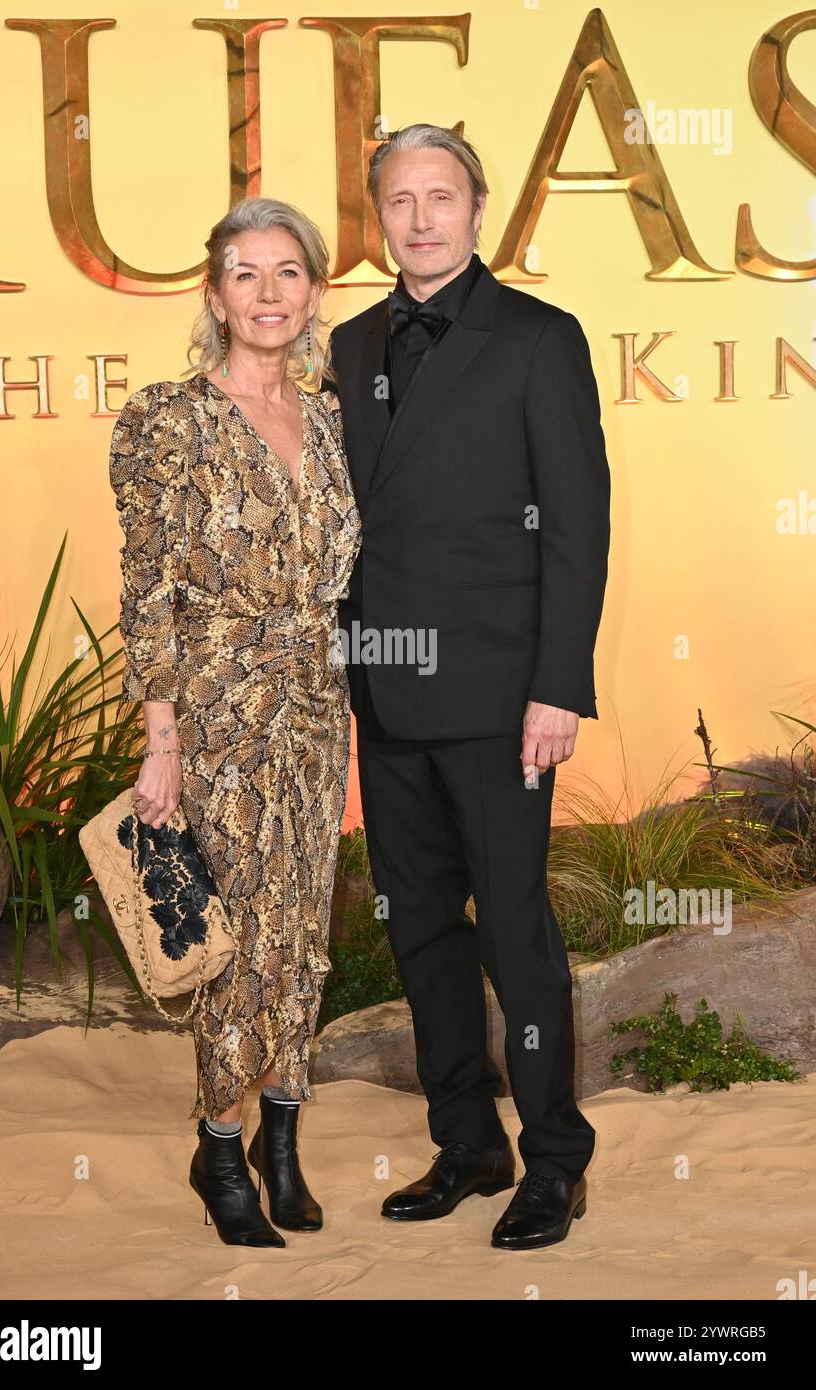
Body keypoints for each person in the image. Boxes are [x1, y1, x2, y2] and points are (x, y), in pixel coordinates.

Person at [326, 124, 611, 1250]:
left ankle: (553, 1158)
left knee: (516, 936)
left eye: (439, 196)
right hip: (385, 695)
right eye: (399, 200)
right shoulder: (349, 345)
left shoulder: (540, 339)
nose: (420, 218)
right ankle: (466, 1142)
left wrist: (558, 686)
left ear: (477, 208)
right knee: (422, 934)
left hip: (500, 699)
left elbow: (576, 532)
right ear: (378, 215)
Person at [108, 197, 360, 1248]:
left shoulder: (337, 415)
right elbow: (148, 587)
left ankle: (282, 1138)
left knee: (304, 922)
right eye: (245, 274)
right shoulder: (165, 419)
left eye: (287, 272)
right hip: (214, 707)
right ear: (213, 294)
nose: (267, 293)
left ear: (312, 292)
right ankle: (218, 1141)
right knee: (236, 935)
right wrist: (159, 739)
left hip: (315, 703)